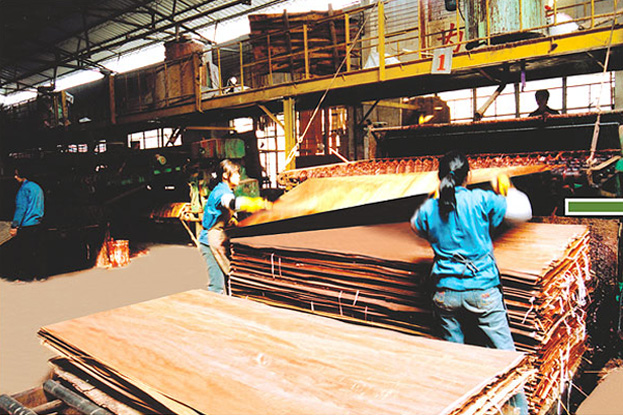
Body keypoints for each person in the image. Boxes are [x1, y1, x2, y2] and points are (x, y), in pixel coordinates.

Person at [411, 151, 532, 415]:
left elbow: (416, 226)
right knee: (504, 358)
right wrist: (509, 189)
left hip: (445, 295)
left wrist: (434, 199)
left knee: (456, 362)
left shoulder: (431, 208)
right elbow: (524, 211)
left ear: (439, 176)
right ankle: (518, 412)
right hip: (482, 291)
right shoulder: (480, 199)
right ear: (469, 175)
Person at [199, 159, 269, 294]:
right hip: (210, 242)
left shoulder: (227, 190)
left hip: (219, 238)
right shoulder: (221, 192)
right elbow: (231, 203)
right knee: (217, 286)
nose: (239, 176)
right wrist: (255, 204)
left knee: (230, 280)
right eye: (236, 173)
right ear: (225, 175)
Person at [10, 166, 45, 279]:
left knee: (25, 253)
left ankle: (26, 278)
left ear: (22, 175)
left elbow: (21, 209)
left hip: (27, 225)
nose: (15, 177)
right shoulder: (37, 187)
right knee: (36, 251)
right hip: (38, 223)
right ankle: (39, 276)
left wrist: (14, 226)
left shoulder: (24, 189)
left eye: (16, 174)